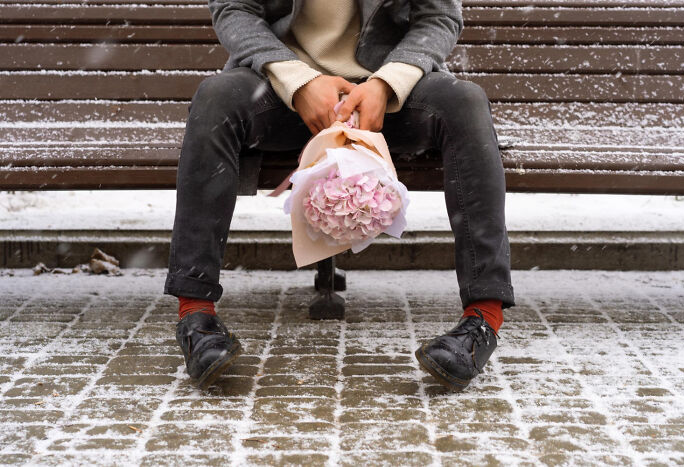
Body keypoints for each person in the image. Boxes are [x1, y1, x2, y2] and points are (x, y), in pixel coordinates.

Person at [164, 0, 515, 391]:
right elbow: (235, 9)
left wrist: (386, 83)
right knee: (215, 98)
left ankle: (484, 318)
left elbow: (439, 16)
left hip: (389, 94)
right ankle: (196, 317)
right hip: (281, 87)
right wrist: (298, 81)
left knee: (465, 102)